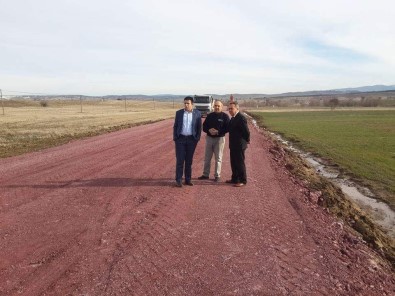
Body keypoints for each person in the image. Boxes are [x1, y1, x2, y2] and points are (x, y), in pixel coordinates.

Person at [198, 100, 230, 182]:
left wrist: (218, 132)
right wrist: (209, 130)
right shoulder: (210, 116)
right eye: (215, 106)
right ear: (213, 106)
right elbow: (204, 126)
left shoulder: (225, 117)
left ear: (221, 107)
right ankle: (205, 174)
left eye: (218, 106)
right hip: (209, 138)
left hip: (219, 139)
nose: (216, 107)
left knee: (218, 158)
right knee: (207, 158)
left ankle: (217, 175)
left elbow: (228, 128)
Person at [173, 96, 202, 187]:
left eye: (188, 103)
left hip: (191, 140)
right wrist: (175, 137)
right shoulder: (179, 113)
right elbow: (175, 126)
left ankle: (188, 180)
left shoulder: (197, 113)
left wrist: (197, 138)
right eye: (185, 103)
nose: (186, 105)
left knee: (189, 161)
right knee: (180, 160)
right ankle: (178, 180)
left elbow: (199, 127)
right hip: (180, 139)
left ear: (192, 104)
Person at [226, 101, 250, 187]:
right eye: (229, 109)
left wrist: (247, 140)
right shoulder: (233, 118)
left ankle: (243, 180)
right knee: (233, 162)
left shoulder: (241, 118)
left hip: (239, 145)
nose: (230, 110)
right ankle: (235, 178)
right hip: (233, 145)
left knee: (240, 163)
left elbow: (246, 132)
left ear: (237, 108)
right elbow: (228, 129)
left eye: (231, 108)